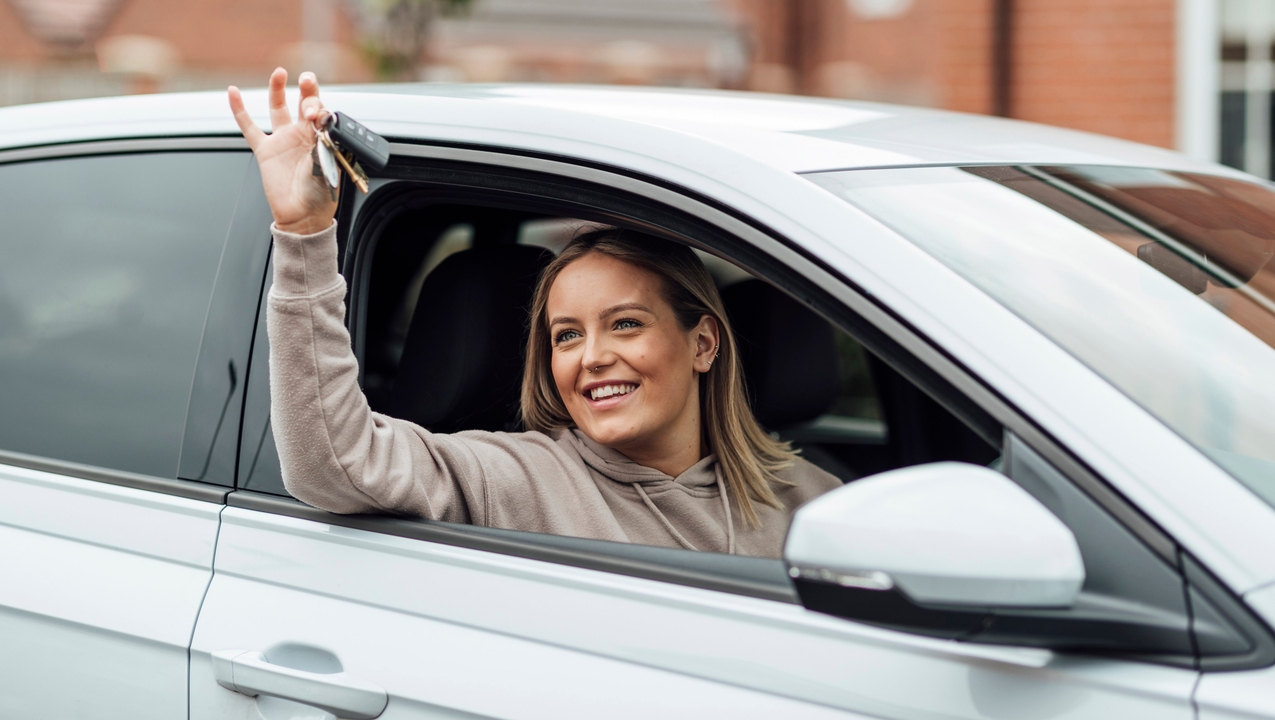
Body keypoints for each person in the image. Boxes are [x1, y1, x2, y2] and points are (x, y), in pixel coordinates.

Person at [228, 69, 840, 558]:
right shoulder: (520, 478)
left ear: (703, 342)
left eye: (625, 323)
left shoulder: (816, 506)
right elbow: (333, 462)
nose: (593, 357)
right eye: (566, 335)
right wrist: (306, 234)